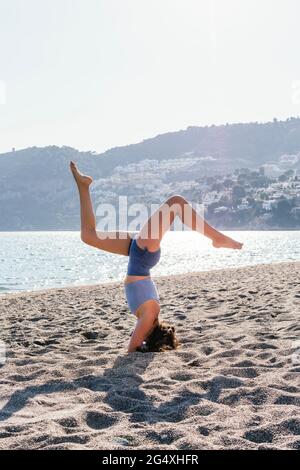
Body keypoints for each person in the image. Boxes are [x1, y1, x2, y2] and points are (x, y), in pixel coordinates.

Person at [70, 161, 243, 353]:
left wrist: (144, 347)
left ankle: (83, 186)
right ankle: (217, 238)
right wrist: (142, 346)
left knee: (88, 235)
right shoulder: (150, 314)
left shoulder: (147, 314)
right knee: (176, 203)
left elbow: (135, 346)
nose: (138, 334)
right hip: (142, 256)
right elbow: (132, 348)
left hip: (138, 254)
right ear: (151, 336)